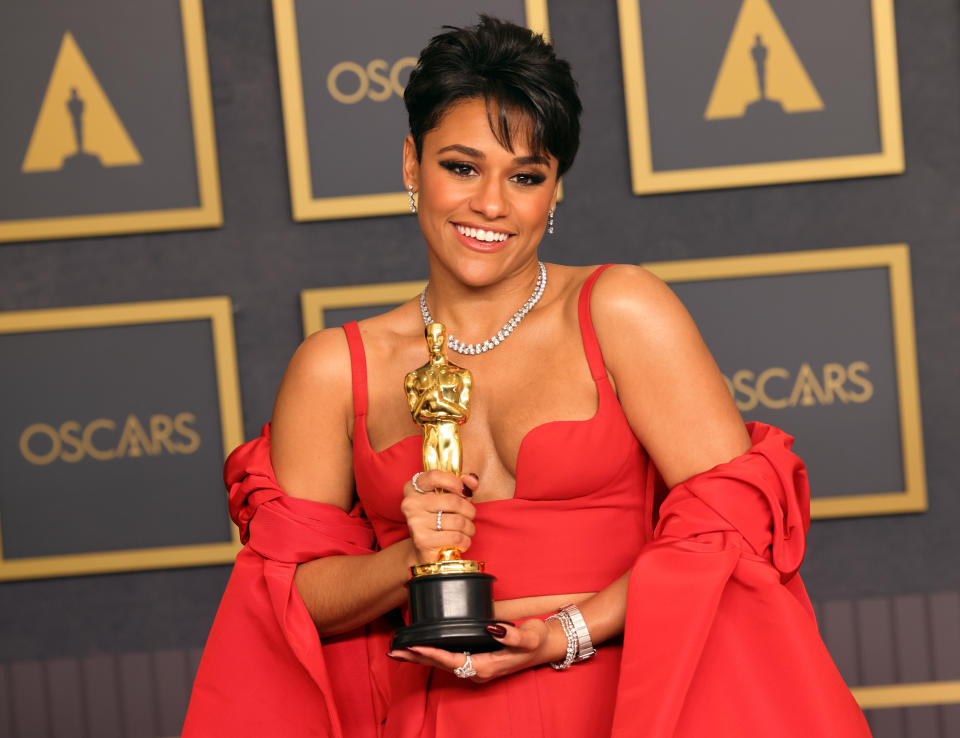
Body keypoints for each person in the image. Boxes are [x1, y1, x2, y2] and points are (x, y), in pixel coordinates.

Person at [184, 16, 872, 738]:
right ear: (412, 166)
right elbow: (293, 598)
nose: (491, 204)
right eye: (461, 167)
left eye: (525, 176)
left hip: (629, 705)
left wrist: (567, 631)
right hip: (438, 716)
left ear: (556, 190)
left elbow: (728, 533)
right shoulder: (335, 367)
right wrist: (407, 558)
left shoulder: (620, 310)